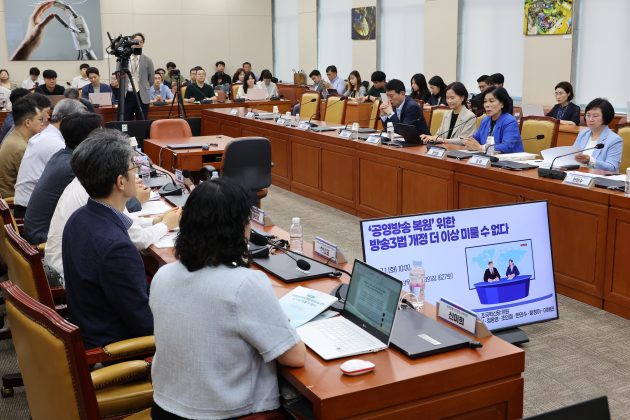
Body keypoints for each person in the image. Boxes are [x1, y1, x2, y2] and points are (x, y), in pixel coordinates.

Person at [149, 178, 305, 419]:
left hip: (165, 411)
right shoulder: (245, 285)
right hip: (227, 414)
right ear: (239, 229)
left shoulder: (163, 275)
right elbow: (295, 357)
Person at [62, 130, 155, 349]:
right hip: (115, 348)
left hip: (91, 326)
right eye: (133, 167)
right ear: (121, 181)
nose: (137, 173)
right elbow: (145, 324)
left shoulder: (78, 218)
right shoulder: (117, 248)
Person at [23, 112, 102, 245]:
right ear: (88, 140)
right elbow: (104, 202)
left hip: (36, 232)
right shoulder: (74, 166)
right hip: (43, 239)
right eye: (100, 134)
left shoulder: (62, 155)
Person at [13, 99, 87, 217]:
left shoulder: (48, 134)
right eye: (80, 122)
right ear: (66, 120)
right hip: (30, 212)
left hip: (28, 206)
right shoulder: (55, 143)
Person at [0, 97, 44, 198]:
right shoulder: (21, 148)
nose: (42, 124)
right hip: (13, 201)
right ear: (28, 122)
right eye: (40, 119)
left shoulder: (15, 135)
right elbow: (34, 183)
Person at [464, 86, 523, 154]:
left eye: (491, 101)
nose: (487, 105)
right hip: (488, 158)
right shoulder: (485, 120)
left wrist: (481, 148)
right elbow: (475, 139)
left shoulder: (510, 121)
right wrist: (470, 143)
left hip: (509, 159)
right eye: (485, 101)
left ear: (502, 104)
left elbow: (507, 146)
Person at [572, 98, 622, 172]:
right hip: (578, 174)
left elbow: (612, 167)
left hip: (598, 177)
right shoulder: (583, 134)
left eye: (595, 116)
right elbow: (572, 156)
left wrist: (590, 161)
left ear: (606, 117)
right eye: (588, 115)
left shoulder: (614, 140)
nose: (590, 119)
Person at [123, 33, 154, 121]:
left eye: (141, 41)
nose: (138, 43)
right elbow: (119, 76)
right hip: (127, 94)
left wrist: (144, 87)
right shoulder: (124, 59)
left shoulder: (148, 60)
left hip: (142, 94)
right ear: (131, 42)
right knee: (126, 120)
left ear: (143, 43)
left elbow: (151, 79)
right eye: (136, 41)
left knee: (142, 120)